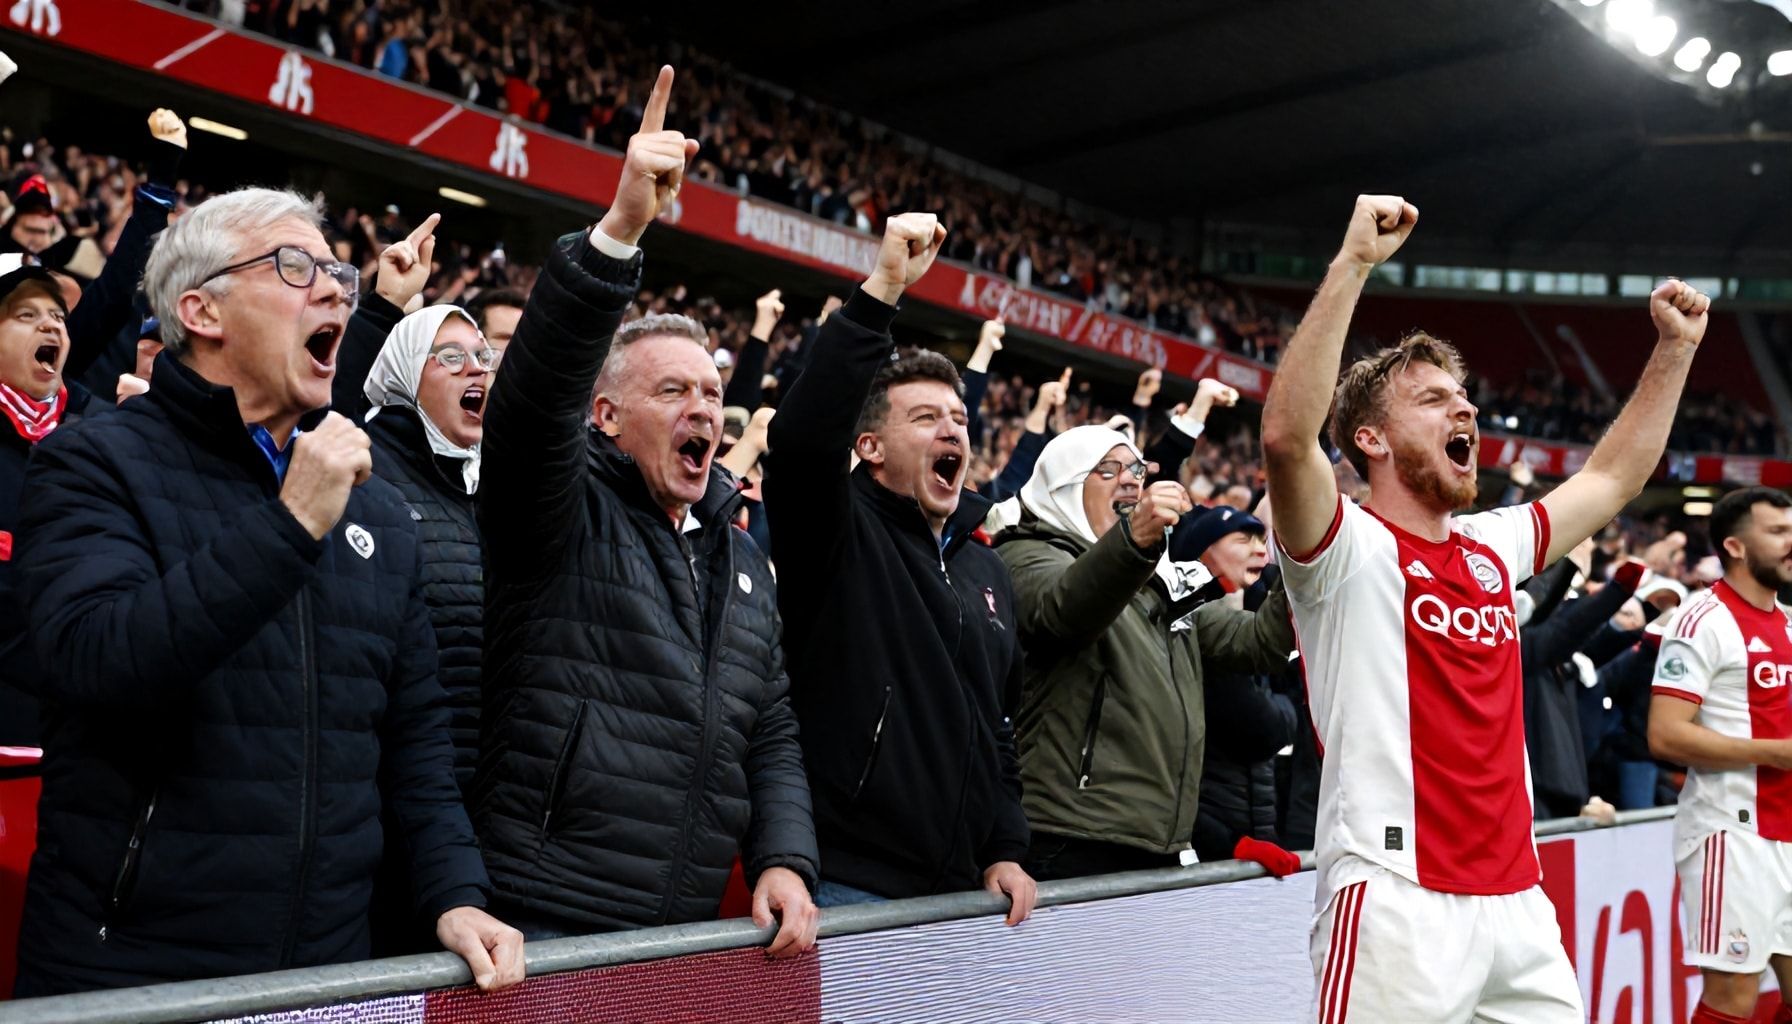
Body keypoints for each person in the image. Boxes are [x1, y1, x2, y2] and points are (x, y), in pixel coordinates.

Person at [11, 186, 521, 995]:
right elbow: (95, 661)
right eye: (294, 267)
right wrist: (287, 527)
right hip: (133, 970)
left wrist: (456, 893)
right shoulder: (92, 463)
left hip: (328, 976)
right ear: (201, 311)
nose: (331, 288)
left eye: (335, 274)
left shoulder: (376, 510)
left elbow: (416, 736)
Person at [1260, 193, 1710, 1023]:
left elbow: (1613, 479)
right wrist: (1355, 261)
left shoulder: (1490, 546)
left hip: (1518, 899)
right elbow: (1288, 438)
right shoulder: (1343, 549)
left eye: (1462, 397)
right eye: (1433, 400)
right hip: (1395, 895)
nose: (1463, 408)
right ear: (1371, 439)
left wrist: (1674, 353)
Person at [472, 66, 818, 957]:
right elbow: (531, 399)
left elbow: (768, 720)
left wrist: (784, 855)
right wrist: (620, 231)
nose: (704, 407)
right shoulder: (559, 504)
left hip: (681, 931)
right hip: (542, 918)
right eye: (673, 390)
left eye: (712, 391)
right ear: (606, 416)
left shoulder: (737, 552)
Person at [765, 213, 1036, 925]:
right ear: (870, 448)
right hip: (849, 883)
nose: (951, 428)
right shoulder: (839, 531)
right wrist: (884, 287)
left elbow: (997, 724)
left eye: (958, 418)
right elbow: (798, 442)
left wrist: (1005, 844)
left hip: (964, 890)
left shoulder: (986, 569)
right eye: (924, 418)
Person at [995, 426, 1297, 881]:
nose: (1131, 481)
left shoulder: (1159, 578)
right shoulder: (1028, 553)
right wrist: (1134, 542)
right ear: (1066, 485)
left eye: (1136, 469)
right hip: (1071, 837)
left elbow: (1258, 643)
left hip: (1159, 842)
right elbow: (1064, 613)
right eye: (1109, 470)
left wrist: (1303, 558)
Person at [1648, 487, 1792, 1024]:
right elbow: (1664, 735)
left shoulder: (1788, 623)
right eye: (1777, 532)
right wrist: (1775, 754)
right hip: (1733, 835)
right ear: (1734, 545)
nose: (1791, 542)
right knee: (1733, 999)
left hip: (1787, 831)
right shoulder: (1702, 620)